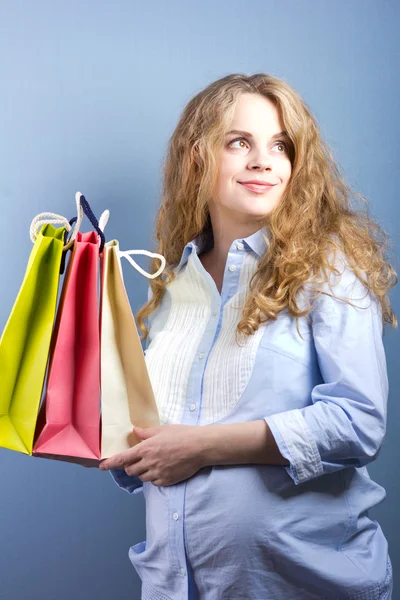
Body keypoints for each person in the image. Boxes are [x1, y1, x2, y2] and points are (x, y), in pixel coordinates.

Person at [99, 73, 397, 599]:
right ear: (196, 158)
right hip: (174, 585)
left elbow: (359, 421)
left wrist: (201, 447)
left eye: (281, 146)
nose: (263, 160)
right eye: (240, 142)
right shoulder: (174, 282)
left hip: (299, 584)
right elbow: (159, 439)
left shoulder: (329, 267)